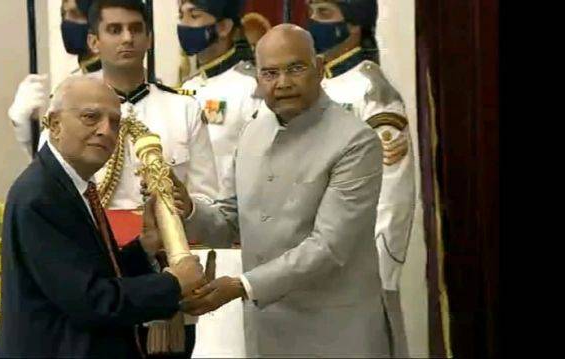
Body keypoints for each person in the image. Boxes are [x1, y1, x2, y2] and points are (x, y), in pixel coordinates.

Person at [177, 24, 392, 357]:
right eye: (270, 73)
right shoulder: (252, 133)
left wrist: (241, 286)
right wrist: (187, 210)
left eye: (296, 68)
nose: (284, 83)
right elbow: (231, 220)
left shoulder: (355, 141)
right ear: (258, 80)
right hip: (266, 332)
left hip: (335, 334)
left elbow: (329, 247)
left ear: (319, 69)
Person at [0, 76, 206, 358]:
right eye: (91, 117)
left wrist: (143, 247)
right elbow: (93, 301)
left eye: (115, 122)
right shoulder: (41, 196)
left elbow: (92, 273)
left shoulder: (68, 185)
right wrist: (173, 283)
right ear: (55, 124)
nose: (106, 131)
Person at [307, 1, 415, 355]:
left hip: (358, 273)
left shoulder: (373, 94)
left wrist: (381, 277)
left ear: (354, 26)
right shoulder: (312, 86)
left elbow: (393, 193)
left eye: (324, 14)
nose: (313, 23)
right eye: (312, 13)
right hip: (309, 264)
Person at [178, 0, 260, 199]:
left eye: (194, 16)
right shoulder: (189, 87)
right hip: (190, 214)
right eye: (181, 16)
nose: (184, 24)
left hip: (233, 216)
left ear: (223, 27)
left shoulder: (251, 87)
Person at [7, 0, 102, 156]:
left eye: (75, 14)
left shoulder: (115, 81)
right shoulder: (69, 83)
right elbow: (49, 160)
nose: (67, 23)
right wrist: (24, 126)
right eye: (64, 14)